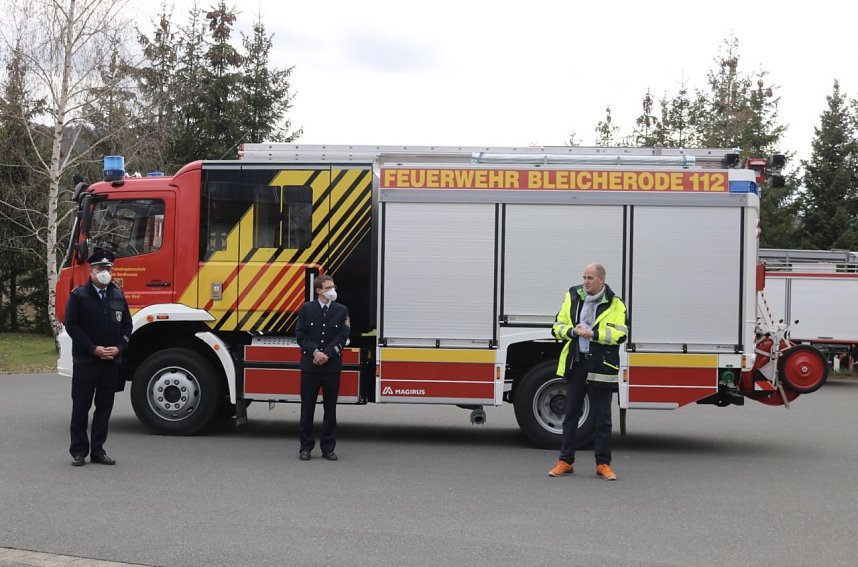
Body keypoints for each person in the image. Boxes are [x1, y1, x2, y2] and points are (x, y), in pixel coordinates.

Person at [548, 263, 628, 480]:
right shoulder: (572, 296)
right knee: (571, 414)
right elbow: (557, 326)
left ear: (602, 280)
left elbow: (620, 334)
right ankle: (565, 461)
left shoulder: (615, 304)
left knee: (602, 418)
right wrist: (573, 331)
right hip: (578, 362)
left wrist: (594, 334)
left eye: (590, 278)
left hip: (601, 364)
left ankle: (603, 464)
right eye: (584, 277)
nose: (585, 281)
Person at [65, 250, 132, 466]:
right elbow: (73, 326)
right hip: (87, 362)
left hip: (111, 362)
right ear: (91, 270)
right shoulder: (79, 295)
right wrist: (93, 349)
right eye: (100, 268)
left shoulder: (118, 295)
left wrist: (119, 348)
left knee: (104, 408)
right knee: (81, 407)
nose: (105, 272)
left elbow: (127, 326)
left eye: (108, 269)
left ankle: (98, 450)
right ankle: (78, 451)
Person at [296, 275, 350, 461]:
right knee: (307, 409)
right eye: (328, 287)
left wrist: (326, 353)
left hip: (331, 367)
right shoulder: (306, 309)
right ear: (318, 290)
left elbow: (343, 337)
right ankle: (305, 447)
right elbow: (301, 336)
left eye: (333, 286)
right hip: (311, 366)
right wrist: (315, 353)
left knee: (330, 409)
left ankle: (328, 448)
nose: (332, 290)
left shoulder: (341, 310)